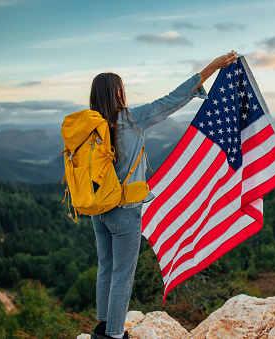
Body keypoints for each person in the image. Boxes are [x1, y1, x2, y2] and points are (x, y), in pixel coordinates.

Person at [88, 51, 237, 339]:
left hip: (98, 208)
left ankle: (103, 326)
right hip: (125, 210)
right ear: (118, 93)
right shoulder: (130, 120)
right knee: (122, 274)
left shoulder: (89, 127)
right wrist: (209, 69)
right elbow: (170, 101)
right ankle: (116, 335)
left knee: (105, 266)